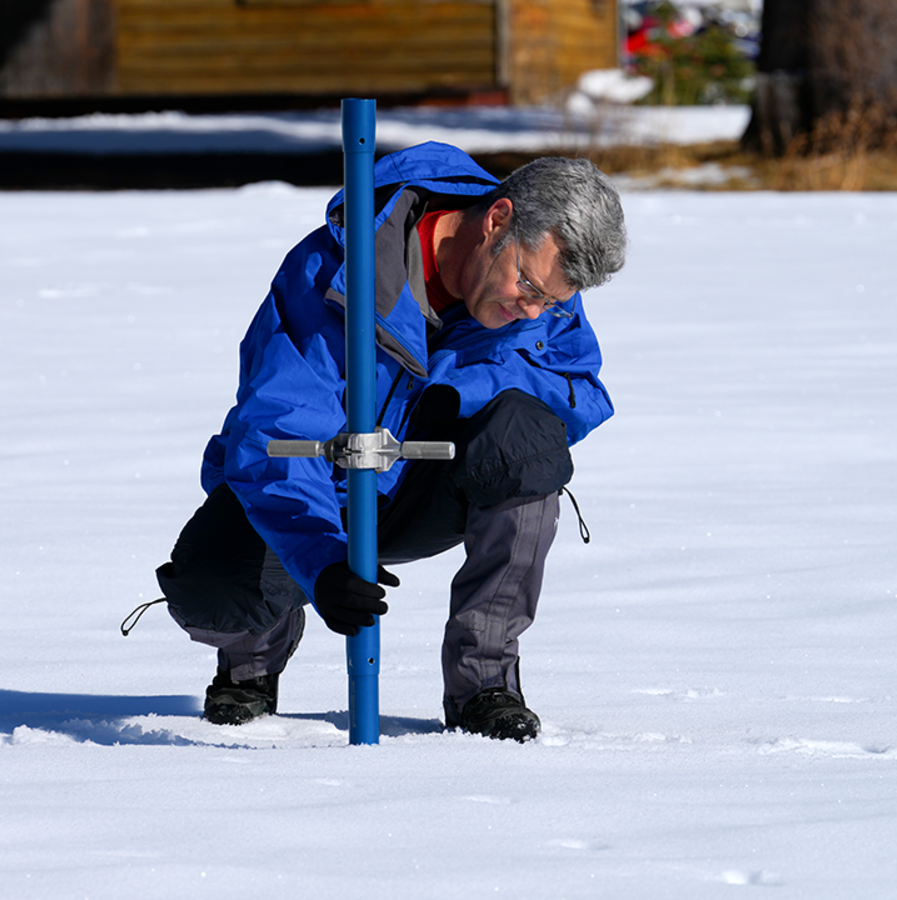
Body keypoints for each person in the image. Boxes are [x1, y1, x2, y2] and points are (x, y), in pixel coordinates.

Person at [152, 141, 626, 742]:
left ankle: (484, 685)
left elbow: (580, 389)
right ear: (497, 219)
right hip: (322, 490)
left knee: (526, 437)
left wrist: (461, 389)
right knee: (210, 589)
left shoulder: (544, 295)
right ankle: (252, 658)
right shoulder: (335, 272)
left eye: (551, 302)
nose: (533, 312)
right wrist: (321, 561)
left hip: (428, 485)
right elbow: (276, 432)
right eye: (528, 286)